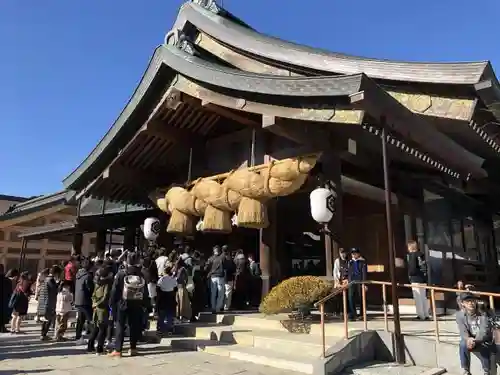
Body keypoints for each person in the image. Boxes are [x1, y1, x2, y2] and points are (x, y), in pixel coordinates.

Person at [108, 252, 147, 357]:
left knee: (120, 325)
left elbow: (114, 290)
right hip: (137, 303)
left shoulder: (122, 273)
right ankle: (133, 348)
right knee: (134, 326)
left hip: (122, 302)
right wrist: (144, 304)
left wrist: (111, 302)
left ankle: (118, 350)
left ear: (127, 261)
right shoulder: (141, 274)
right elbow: (145, 291)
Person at [456, 293, 495, 375]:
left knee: (484, 345)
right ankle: (466, 370)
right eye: (468, 301)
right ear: (462, 303)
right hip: (471, 338)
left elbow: (484, 330)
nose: (471, 303)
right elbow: (462, 330)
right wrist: (468, 339)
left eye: (472, 301)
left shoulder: (482, 313)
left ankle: (486, 371)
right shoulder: (460, 315)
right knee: (462, 344)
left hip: (483, 338)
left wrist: (476, 340)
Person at [88, 266, 113, 354]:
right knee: (103, 329)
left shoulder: (96, 283)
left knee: (96, 327)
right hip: (103, 309)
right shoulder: (106, 284)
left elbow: (93, 295)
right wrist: (98, 303)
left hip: (96, 308)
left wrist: (94, 304)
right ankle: (99, 347)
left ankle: (90, 346)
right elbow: (106, 297)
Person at [406, 240, 430, 320]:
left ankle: (420, 315)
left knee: (417, 297)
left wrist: (410, 275)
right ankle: (426, 314)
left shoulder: (412, 255)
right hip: (423, 278)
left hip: (415, 278)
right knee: (423, 297)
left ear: (410, 247)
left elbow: (412, 268)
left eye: (408, 246)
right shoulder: (421, 255)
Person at [38, 265, 62, 341]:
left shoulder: (46, 279)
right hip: (48, 303)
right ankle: (43, 335)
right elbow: (55, 291)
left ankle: (43, 335)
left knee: (45, 320)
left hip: (43, 302)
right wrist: (59, 284)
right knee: (48, 320)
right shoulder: (51, 280)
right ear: (56, 273)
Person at [74, 259, 95, 344]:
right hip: (86, 300)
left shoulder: (78, 275)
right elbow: (90, 289)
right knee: (91, 320)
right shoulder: (88, 276)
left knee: (80, 320)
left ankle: (78, 337)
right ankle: (94, 339)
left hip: (78, 300)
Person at [156, 264, 177, 336]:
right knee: (170, 314)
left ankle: (160, 329)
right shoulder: (173, 279)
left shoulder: (161, 279)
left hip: (163, 297)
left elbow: (158, 288)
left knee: (162, 314)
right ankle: (170, 329)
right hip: (170, 297)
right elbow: (175, 288)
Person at [347, 248, 367, 321]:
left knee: (361, 298)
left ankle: (362, 314)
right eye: (352, 253)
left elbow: (364, 273)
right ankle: (353, 314)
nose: (353, 255)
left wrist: (364, 284)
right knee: (351, 297)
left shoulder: (362, 261)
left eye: (355, 253)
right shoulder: (350, 262)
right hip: (352, 282)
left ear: (358, 254)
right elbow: (348, 272)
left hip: (360, 281)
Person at [205, 246, 226, 313]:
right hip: (220, 276)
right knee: (220, 293)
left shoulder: (211, 258)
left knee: (213, 293)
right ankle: (218, 308)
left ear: (214, 251)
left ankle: (213, 308)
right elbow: (225, 266)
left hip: (213, 277)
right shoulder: (222, 257)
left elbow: (206, 267)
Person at [175, 257, 192, 322]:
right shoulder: (182, 269)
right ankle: (182, 316)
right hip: (181, 287)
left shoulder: (179, 269)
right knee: (182, 302)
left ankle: (180, 316)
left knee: (179, 302)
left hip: (178, 287)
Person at [0, 264, 11, 333]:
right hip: (4, 301)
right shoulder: (7, 280)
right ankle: (2, 327)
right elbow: (10, 292)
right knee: (3, 315)